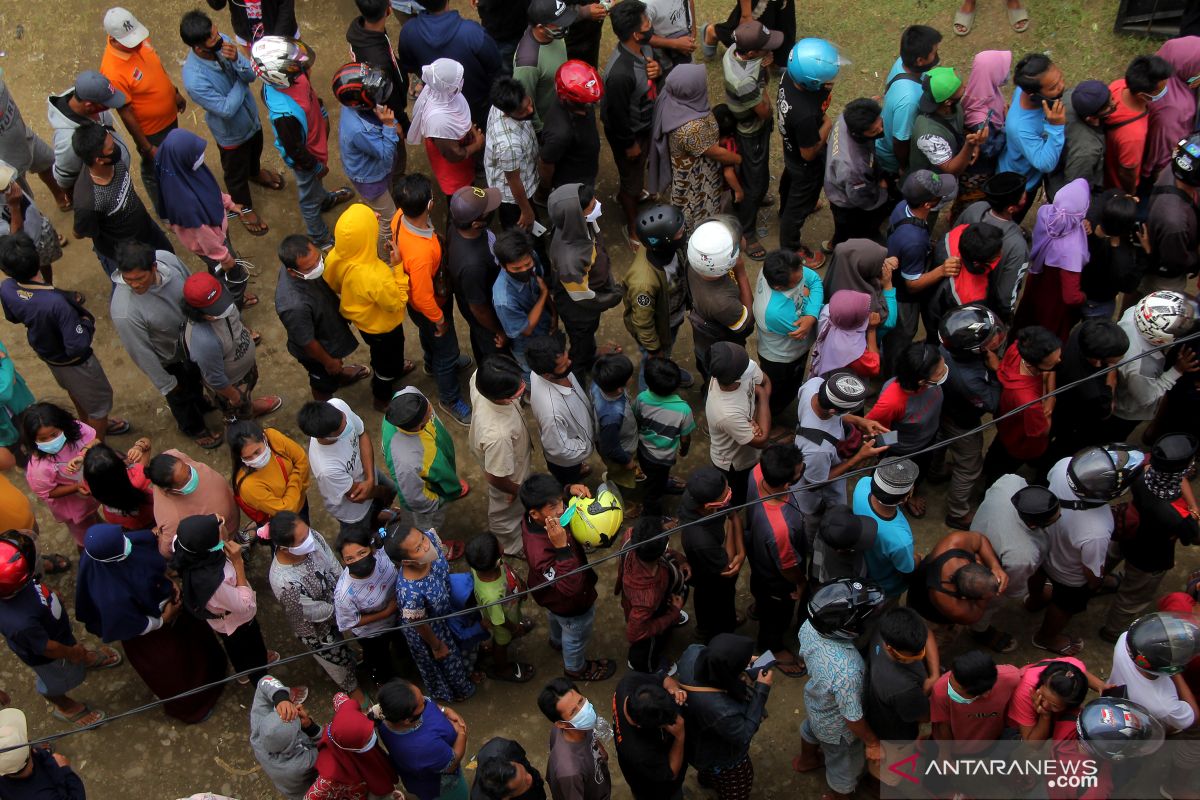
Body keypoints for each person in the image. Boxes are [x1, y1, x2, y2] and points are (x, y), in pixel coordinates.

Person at [75, 522, 226, 723]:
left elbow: (151, 563)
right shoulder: (110, 595)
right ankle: (194, 707)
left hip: (170, 603)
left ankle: (215, 674)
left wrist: (169, 582)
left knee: (198, 643)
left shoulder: (128, 545)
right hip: (150, 631)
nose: (128, 542)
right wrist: (163, 619)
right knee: (173, 668)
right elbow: (129, 625)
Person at [0, 531, 120, 727]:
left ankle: (82, 658)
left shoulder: (12, 587)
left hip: (55, 632)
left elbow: (33, 587)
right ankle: (65, 707)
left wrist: (48, 595)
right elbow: (48, 648)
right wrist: (72, 653)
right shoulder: (18, 623)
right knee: (55, 682)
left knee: (72, 650)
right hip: (50, 657)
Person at [110, 241, 223, 448]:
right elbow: (140, 351)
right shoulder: (124, 310)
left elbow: (191, 285)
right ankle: (193, 427)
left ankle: (200, 402)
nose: (134, 284)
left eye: (139, 278)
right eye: (128, 279)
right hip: (170, 360)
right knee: (180, 395)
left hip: (192, 341)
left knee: (196, 380)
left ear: (153, 267)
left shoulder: (167, 260)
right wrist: (166, 383)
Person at [179, 8, 280, 238]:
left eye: (216, 32)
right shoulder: (194, 79)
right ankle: (242, 206)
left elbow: (251, 74)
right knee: (235, 174)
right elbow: (226, 109)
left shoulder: (223, 42)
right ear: (198, 47)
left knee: (256, 150)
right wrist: (241, 84)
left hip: (251, 120)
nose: (219, 38)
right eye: (213, 38)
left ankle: (254, 173)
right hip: (231, 134)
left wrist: (237, 60)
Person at [1036, 445, 1144, 655]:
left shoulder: (1063, 466)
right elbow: (1092, 572)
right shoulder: (1099, 526)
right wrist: (1095, 584)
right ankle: (1045, 637)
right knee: (1065, 604)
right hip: (1068, 575)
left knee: (1038, 575)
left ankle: (1034, 600)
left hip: (1043, 548)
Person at [252, 36, 354, 250]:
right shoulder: (284, 116)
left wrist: (321, 109)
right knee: (308, 198)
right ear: (281, 76)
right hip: (305, 158)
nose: (305, 70)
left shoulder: (291, 78)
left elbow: (309, 95)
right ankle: (320, 237)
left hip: (314, 141)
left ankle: (324, 199)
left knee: (316, 185)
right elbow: (295, 150)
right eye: (298, 69)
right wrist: (315, 166)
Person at [391, 173, 473, 425]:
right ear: (429, 205)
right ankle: (449, 397)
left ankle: (430, 362)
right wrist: (439, 319)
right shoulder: (422, 254)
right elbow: (423, 295)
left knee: (429, 338)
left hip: (419, 307)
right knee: (446, 350)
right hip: (430, 307)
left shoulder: (399, 217)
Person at [1101, 434, 1200, 641]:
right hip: (1150, 558)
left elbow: (1174, 478)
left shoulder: (1141, 472)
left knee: (1104, 562)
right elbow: (1196, 536)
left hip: (1125, 532)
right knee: (1132, 597)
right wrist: (1195, 512)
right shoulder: (1177, 516)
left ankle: (1094, 584)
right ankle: (1112, 632)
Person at [795, 578, 885, 800]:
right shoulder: (848, 669)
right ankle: (838, 794)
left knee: (810, 730)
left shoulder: (809, 625)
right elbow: (852, 718)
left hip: (816, 704)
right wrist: (873, 743)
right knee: (845, 767)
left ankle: (807, 760)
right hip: (839, 731)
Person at [520, 474, 615, 682]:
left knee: (557, 619)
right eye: (553, 507)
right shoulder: (540, 551)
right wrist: (562, 548)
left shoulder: (532, 519)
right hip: (571, 603)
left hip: (551, 599)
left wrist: (569, 488)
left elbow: (555, 498)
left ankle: (556, 640)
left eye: (560, 502)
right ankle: (575, 668)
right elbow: (570, 587)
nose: (562, 509)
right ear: (534, 513)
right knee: (575, 635)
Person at [323, 203, 416, 410]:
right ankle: (382, 395)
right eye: (370, 220)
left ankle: (390, 369)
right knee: (386, 363)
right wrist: (398, 267)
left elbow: (334, 284)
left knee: (379, 352)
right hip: (384, 328)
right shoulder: (375, 275)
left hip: (364, 323)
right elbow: (396, 302)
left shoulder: (334, 257)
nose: (376, 214)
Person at [267, 512, 366, 705]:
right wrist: (348, 613)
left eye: (308, 532)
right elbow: (317, 612)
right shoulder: (284, 582)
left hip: (338, 601)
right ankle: (351, 687)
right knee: (334, 656)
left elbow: (333, 565)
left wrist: (347, 593)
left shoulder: (312, 537)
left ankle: (352, 657)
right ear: (286, 548)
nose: (310, 538)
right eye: (303, 539)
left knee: (348, 642)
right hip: (317, 625)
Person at [99, 7, 186, 217]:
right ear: (114, 39)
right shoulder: (112, 71)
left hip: (169, 118)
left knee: (171, 157)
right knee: (153, 170)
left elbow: (158, 67)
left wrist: (173, 91)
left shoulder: (140, 42)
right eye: (130, 41)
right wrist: (146, 146)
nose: (137, 43)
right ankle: (164, 211)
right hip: (151, 131)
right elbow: (126, 113)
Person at [155, 128, 255, 307]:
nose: (201, 158)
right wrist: (225, 258)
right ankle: (233, 307)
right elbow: (204, 236)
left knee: (219, 271)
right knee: (235, 276)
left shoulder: (184, 172)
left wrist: (228, 203)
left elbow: (210, 189)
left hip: (216, 234)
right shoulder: (185, 204)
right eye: (195, 155)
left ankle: (220, 287)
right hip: (212, 244)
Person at [172, 514, 277, 684]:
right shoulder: (215, 583)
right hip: (237, 621)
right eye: (217, 526)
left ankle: (242, 671)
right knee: (253, 653)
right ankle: (264, 685)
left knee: (233, 646)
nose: (220, 519)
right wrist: (238, 563)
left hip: (221, 621)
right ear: (211, 546)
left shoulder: (185, 545)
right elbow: (244, 605)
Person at [386, 525, 480, 702]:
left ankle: (470, 666)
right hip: (431, 629)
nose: (426, 546)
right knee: (448, 659)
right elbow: (419, 624)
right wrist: (436, 645)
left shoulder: (430, 540)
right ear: (406, 561)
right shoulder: (410, 592)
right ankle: (460, 690)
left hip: (446, 609)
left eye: (422, 538)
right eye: (418, 549)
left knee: (464, 638)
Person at [675, 633, 772, 799]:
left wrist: (739, 662)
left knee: (707, 772)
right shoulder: (722, 711)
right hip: (723, 759)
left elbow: (716, 659)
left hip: (696, 741)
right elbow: (744, 734)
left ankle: (707, 779)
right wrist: (762, 689)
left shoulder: (693, 653)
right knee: (738, 791)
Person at [275, 234, 369, 402]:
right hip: (317, 352)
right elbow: (307, 342)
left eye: (318, 259)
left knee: (335, 366)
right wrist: (328, 362)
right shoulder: (293, 306)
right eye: (310, 268)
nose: (318, 266)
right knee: (323, 382)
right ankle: (325, 405)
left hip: (328, 327)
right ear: (292, 271)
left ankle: (339, 375)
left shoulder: (302, 264)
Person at [649, 64, 739, 234]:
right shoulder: (691, 128)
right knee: (697, 220)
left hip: (689, 169)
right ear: (691, 91)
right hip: (695, 182)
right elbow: (716, 153)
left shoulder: (673, 98)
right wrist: (740, 159)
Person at [934, 304, 1003, 529]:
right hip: (961, 421)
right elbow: (993, 402)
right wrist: (996, 371)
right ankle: (957, 512)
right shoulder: (970, 380)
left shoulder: (946, 346)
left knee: (939, 441)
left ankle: (936, 470)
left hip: (942, 408)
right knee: (970, 465)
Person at [181, 272, 283, 422]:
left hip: (244, 368)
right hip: (232, 384)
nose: (224, 308)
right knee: (238, 417)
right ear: (198, 312)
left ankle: (250, 406)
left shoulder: (223, 298)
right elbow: (215, 378)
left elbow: (235, 321)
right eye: (215, 309)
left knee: (247, 394)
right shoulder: (204, 341)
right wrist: (235, 398)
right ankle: (244, 419)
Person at [792, 371, 888, 527]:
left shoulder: (813, 385)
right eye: (848, 410)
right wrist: (857, 458)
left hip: (822, 461)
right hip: (814, 494)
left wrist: (858, 420)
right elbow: (815, 483)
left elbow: (834, 414)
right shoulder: (817, 450)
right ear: (832, 411)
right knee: (814, 521)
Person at [883, 170, 958, 371]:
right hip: (903, 298)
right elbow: (913, 285)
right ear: (927, 205)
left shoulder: (902, 207)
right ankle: (892, 372)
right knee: (902, 336)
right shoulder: (914, 241)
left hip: (900, 269)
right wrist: (942, 270)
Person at [777, 37, 841, 265]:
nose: (832, 81)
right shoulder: (803, 115)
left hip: (791, 148)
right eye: (827, 80)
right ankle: (791, 247)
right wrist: (827, 125)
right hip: (804, 159)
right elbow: (808, 154)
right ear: (811, 83)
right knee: (799, 203)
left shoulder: (790, 75)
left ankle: (785, 209)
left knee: (790, 180)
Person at [744, 444, 807, 674]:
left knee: (760, 588)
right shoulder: (781, 527)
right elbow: (788, 566)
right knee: (778, 616)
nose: (802, 472)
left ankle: (760, 607)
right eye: (800, 472)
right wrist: (800, 583)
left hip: (758, 554)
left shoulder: (758, 472)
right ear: (787, 484)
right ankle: (772, 647)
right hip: (777, 578)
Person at [602, 1, 661, 244]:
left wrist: (658, 71)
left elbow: (649, 84)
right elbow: (616, 116)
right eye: (646, 22)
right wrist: (629, 145)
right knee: (632, 183)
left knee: (636, 172)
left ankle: (631, 190)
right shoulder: (618, 74)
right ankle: (633, 226)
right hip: (629, 135)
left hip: (644, 126)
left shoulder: (645, 49)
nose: (650, 24)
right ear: (636, 33)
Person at [547, 183, 620, 377]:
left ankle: (589, 352)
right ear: (575, 216)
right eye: (592, 205)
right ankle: (579, 375)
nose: (598, 205)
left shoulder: (578, 226)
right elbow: (583, 297)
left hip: (590, 302)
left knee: (587, 339)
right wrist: (612, 297)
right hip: (580, 312)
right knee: (580, 346)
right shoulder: (569, 258)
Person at [722, 21, 780, 257]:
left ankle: (756, 194)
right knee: (754, 182)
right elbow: (764, 111)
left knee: (757, 175)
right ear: (753, 52)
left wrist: (762, 67)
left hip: (748, 121)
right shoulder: (745, 81)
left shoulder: (732, 49)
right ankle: (747, 231)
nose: (771, 50)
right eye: (765, 47)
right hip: (751, 130)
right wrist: (763, 76)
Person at [298, 398, 396, 537]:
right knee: (365, 534)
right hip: (355, 512)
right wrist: (382, 493)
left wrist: (369, 478)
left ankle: (382, 515)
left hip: (368, 476)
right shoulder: (327, 469)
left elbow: (362, 434)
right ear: (326, 437)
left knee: (389, 492)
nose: (346, 422)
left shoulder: (337, 406)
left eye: (343, 417)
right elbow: (357, 496)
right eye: (341, 428)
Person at [397, 0, 501, 128]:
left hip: (441, 115)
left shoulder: (408, 32)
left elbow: (410, 66)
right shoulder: (473, 33)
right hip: (479, 109)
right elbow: (495, 66)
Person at [469, 357, 535, 557]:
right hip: (507, 475)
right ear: (503, 398)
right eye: (517, 389)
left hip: (508, 456)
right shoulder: (499, 435)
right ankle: (511, 546)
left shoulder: (479, 377)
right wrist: (517, 490)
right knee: (505, 513)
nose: (523, 386)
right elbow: (495, 477)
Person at [332, 61, 402, 251]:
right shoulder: (358, 131)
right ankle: (387, 259)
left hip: (377, 171)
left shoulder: (355, 104)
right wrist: (389, 126)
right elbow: (385, 155)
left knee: (384, 208)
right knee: (390, 220)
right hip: (371, 178)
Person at [1111, 291, 1197, 442]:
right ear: (1159, 338)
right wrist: (1177, 370)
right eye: (1179, 327)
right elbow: (1146, 398)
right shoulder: (1142, 367)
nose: (1186, 322)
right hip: (1126, 412)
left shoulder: (1135, 313)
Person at [623, 205, 693, 387]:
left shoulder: (666, 251)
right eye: (679, 232)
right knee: (652, 366)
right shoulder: (644, 284)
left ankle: (668, 368)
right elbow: (643, 323)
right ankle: (651, 392)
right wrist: (654, 351)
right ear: (664, 241)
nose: (683, 232)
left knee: (667, 351)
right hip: (660, 327)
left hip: (672, 315)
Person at [1045, 319, 1129, 468]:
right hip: (1075, 418)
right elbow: (1106, 411)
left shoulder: (1085, 331)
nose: (1122, 357)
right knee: (1063, 446)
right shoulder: (1093, 391)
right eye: (1118, 355)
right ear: (1098, 359)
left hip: (1062, 394)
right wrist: (1111, 372)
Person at [382, 387, 468, 531]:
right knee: (430, 524)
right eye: (428, 414)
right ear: (417, 426)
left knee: (448, 482)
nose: (430, 407)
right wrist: (439, 501)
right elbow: (415, 498)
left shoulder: (408, 395)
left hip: (438, 465)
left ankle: (451, 487)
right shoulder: (406, 462)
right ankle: (436, 545)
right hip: (429, 495)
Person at [751, 248, 823, 415]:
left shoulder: (781, 268)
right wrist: (809, 298)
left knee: (790, 385)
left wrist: (810, 315)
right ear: (778, 286)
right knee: (777, 393)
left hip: (794, 350)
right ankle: (771, 420)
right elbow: (802, 330)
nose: (803, 278)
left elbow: (815, 280)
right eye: (798, 281)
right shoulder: (774, 312)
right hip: (782, 358)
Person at [20, 404, 101, 549]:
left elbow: (95, 440)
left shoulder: (77, 429)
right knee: (86, 537)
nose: (50, 441)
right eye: (42, 439)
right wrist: (76, 487)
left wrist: (83, 454)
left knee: (94, 515)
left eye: (54, 435)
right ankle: (89, 555)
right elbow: (47, 492)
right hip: (74, 507)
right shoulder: (39, 467)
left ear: (63, 426)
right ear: (33, 440)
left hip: (90, 495)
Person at [374, 678, 471, 799]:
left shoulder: (384, 713)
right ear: (407, 720)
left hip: (416, 778)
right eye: (422, 705)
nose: (427, 701)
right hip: (440, 785)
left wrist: (445, 710)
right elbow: (452, 764)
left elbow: (426, 702)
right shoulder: (423, 748)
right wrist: (461, 732)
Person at [615, 516, 690, 673]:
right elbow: (635, 633)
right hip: (648, 616)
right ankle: (648, 667)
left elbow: (661, 549)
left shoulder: (632, 536)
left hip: (648, 603)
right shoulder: (646, 596)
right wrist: (672, 614)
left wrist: (679, 558)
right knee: (647, 646)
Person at [955, 171, 1032, 322]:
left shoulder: (975, 209)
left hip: (957, 284)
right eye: (1022, 194)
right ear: (1011, 208)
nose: (1025, 195)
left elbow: (953, 239)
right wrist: (1005, 316)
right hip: (983, 306)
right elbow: (1006, 295)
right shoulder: (1017, 245)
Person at [678, 467, 744, 641]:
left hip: (706, 568)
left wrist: (732, 517)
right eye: (726, 498)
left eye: (729, 491)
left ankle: (706, 626)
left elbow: (729, 511)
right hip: (713, 576)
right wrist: (734, 522)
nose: (730, 496)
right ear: (708, 506)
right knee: (716, 606)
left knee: (706, 596)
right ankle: (714, 634)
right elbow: (729, 563)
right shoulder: (700, 540)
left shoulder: (699, 497)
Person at [333, 526, 406, 686]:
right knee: (381, 661)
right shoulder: (344, 593)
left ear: (371, 549)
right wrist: (386, 612)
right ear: (344, 561)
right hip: (372, 634)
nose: (357, 560)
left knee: (403, 646)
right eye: (350, 559)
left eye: (362, 553)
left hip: (400, 618)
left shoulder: (382, 555)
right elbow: (350, 622)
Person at [686, 217, 754, 385]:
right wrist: (741, 273)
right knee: (716, 379)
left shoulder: (695, 260)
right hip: (719, 347)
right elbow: (746, 321)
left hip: (703, 337)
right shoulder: (722, 303)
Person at [862, 608, 934, 763]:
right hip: (896, 735)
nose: (918, 658)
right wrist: (923, 734)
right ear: (890, 649)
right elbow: (924, 717)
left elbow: (926, 634)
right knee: (891, 768)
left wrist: (934, 675)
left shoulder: (887, 625)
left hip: (877, 707)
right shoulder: (903, 688)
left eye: (921, 652)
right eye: (911, 656)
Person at [405, 58, 484, 199]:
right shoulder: (438, 122)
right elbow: (454, 154)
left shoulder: (439, 89)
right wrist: (477, 145)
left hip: (457, 147)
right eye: (458, 80)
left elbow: (459, 109)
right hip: (452, 163)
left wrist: (471, 130)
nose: (461, 81)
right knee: (459, 193)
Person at [906, 530, 1006, 639]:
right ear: (965, 598)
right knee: (932, 638)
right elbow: (977, 614)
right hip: (926, 611)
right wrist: (989, 596)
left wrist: (995, 566)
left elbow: (980, 540)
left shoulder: (955, 543)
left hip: (923, 582)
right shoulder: (954, 607)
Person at [446, 186, 506, 367]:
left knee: (477, 334)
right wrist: (499, 331)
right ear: (475, 224)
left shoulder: (456, 225)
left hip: (476, 301)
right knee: (494, 354)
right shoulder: (473, 265)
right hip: (486, 313)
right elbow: (479, 309)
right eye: (486, 211)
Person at [706, 342, 770, 508]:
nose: (749, 360)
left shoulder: (746, 366)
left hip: (747, 448)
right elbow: (761, 440)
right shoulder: (725, 412)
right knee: (737, 495)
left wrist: (754, 417)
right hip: (733, 462)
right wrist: (762, 396)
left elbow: (766, 382)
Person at [527, 332, 596, 485]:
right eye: (563, 366)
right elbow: (559, 449)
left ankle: (579, 467)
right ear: (546, 374)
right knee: (569, 482)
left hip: (575, 441)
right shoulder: (551, 411)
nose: (569, 363)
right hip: (566, 462)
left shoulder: (541, 370)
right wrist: (586, 447)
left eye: (566, 358)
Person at [876, 24, 943, 180]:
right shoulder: (909, 101)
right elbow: (901, 141)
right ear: (920, 60)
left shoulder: (902, 62)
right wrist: (904, 167)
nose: (937, 55)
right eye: (934, 53)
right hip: (892, 159)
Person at [466, 532, 534, 683]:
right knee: (501, 642)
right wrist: (514, 628)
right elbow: (499, 621)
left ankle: (516, 627)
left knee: (511, 627)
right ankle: (502, 668)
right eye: (499, 544)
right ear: (498, 558)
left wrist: (520, 584)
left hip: (510, 607)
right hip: (504, 623)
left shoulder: (483, 566)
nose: (501, 544)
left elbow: (508, 571)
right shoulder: (492, 596)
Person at [146, 448, 241, 557]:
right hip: (220, 544)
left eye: (189, 470)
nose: (193, 477)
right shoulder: (173, 520)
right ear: (169, 490)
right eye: (185, 481)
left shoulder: (172, 457)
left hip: (231, 523)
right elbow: (167, 550)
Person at [0, 74, 73, 213]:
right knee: (23, 203)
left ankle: (60, 196)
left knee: (48, 163)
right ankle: (45, 231)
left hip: (24, 135)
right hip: (7, 164)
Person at [999, 53, 1066, 202]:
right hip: (1022, 184)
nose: (1062, 85)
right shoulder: (1021, 128)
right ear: (1033, 94)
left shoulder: (1025, 89)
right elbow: (1045, 164)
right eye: (1054, 87)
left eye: (1060, 77)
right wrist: (1056, 127)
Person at [307, 691, 399, 799]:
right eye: (367, 740)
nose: (372, 736)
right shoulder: (331, 774)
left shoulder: (347, 711)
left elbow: (339, 696)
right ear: (352, 747)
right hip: (363, 791)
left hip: (370, 761)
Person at [633, 356, 695, 514]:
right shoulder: (683, 410)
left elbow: (636, 421)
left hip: (643, 450)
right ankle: (652, 515)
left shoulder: (642, 399)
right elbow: (685, 438)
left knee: (653, 476)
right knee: (654, 491)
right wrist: (684, 449)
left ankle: (661, 483)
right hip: (663, 457)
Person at [1141, 132, 1200, 295]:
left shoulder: (1176, 167)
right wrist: (1196, 260)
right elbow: (1175, 261)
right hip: (1165, 279)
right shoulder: (1174, 221)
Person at [824, 98, 888, 247]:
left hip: (836, 179)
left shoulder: (846, 118)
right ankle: (839, 248)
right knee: (850, 230)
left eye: (880, 124)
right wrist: (882, 191)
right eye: (874, 131)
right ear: (858, 133)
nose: (881, 131)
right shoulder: (853, 166)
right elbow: (860, 198)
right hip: (846, 200)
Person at [1105, 55, 1172, 194]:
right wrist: (1131, 194)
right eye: (1160, 90)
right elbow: (1127, 172)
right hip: (1118, 184)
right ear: (1142, 95)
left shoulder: (1119, 85)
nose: (1165, 91)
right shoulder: (1133, 136)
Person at [930, 650, 1022, 751]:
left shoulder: (1012, 679)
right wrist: (945, 754)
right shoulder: (940, 690)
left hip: (992, 743)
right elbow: (942, 728)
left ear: (985, 693)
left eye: (957, 690)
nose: (949, 688)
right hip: (957, 748)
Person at [537, 677, 612, 800]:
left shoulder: (581, 726)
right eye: (574, 712)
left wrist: (600, 749)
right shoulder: (570, 772)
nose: (584, 711)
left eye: (581, 701)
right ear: (562, 724)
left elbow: (591, 733)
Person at [856, 458, 920, 601]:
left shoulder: (862, 485)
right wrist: (917, 559)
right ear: (906, 497)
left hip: (863, 565)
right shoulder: (901, 540)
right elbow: (906, 570)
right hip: (886, 586)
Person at [956, 49, 1012, 209]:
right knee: (971, 203)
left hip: (973, 166)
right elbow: (991, 148)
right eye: (1003, 70)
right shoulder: (980, 119)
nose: (1006, 74)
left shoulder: (980, 91)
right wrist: (1008, 125)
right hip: (978, 171)